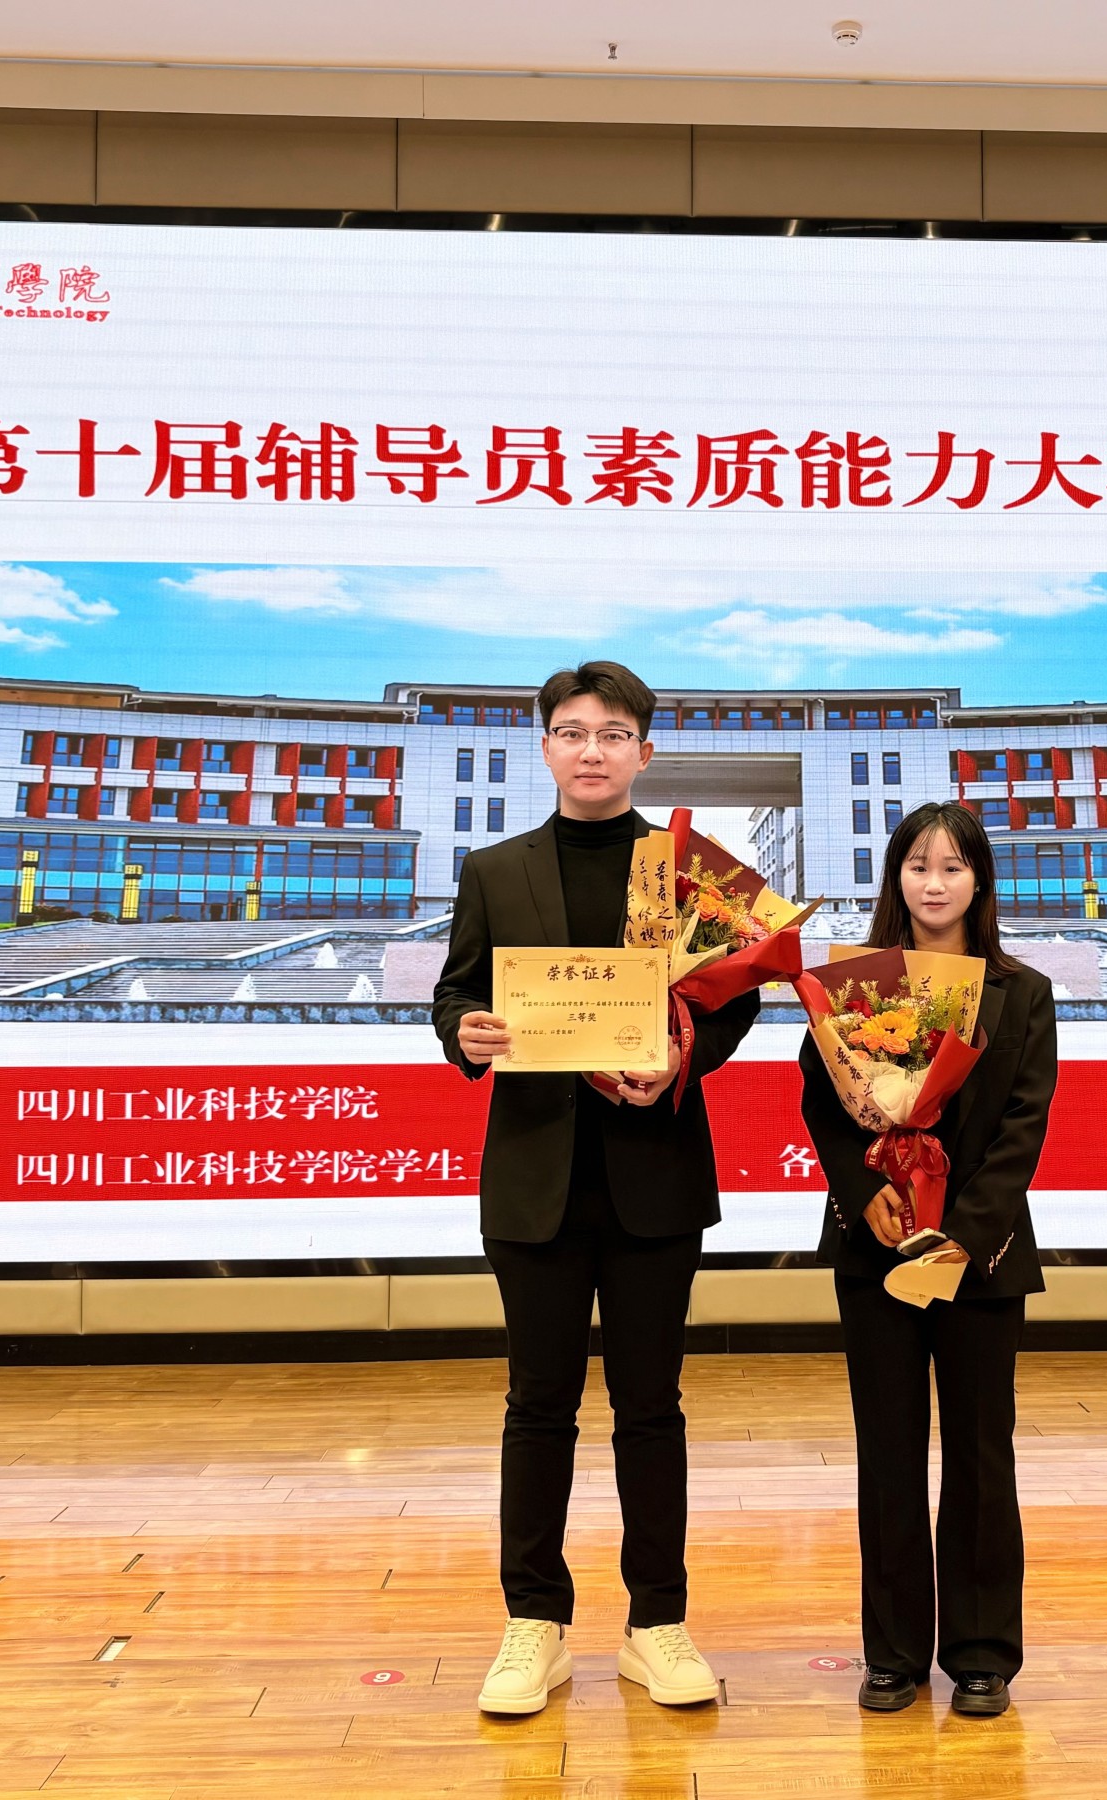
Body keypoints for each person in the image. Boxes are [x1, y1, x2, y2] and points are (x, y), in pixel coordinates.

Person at [434, 660, 761, 1717]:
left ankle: (657, 1623)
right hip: (535, 1173)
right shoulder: (496, 869)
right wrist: (465, 1033)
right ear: (546, 748)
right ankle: (533, 1624)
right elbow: (456, 992)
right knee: (537, 1407)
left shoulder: (690, 871)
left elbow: (738, 998)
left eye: (614, 734)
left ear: (644, 752)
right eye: (572, 732)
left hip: (653, 1170)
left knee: (650, 1407)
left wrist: (685, 1058)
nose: (592, 750)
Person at [798, 800, 1057, 1719]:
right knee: (889, 1452)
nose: (934, 883)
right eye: (918, 866)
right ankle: (895, 1652)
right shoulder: (857, 985)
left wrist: (964, 1233)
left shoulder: (1022, 991)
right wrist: (862, 1189)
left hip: (980, 1256)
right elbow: (822, 1100)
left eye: (952, 866)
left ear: (979, 881)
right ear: (896, 878)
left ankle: (983, 1654)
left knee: (982, 1455)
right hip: (876, 1246)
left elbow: (1024, 1125)